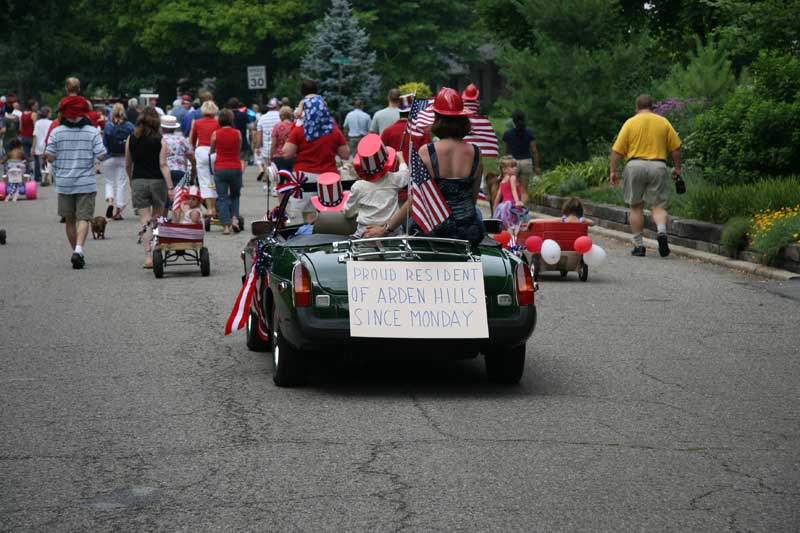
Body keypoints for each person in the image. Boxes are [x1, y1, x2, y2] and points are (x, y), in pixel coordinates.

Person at [364, 88, 484, 247]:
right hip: (468, 232)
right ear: (463, 121)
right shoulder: (476, 153)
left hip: (433, 231)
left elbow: (415, 200)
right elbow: (472, 199)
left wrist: (386, 229)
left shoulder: (427, 152)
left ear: (437, 120)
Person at [610, 94, 682, 257]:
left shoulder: (630, 122)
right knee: (658, 206)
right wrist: (677, 168)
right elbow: (676, 148)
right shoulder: (663, 122)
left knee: (636, 206)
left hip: (635, 165)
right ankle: (662, 232)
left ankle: (639, 245)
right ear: (652, 107)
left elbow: (616, 151)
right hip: (658, 165)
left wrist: (613, 171)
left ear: (637, 107)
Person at [44, 106, 108, 269]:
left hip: (64, 182)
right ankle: (79, 250)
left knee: (70, 220)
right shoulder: (92, 131)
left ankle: (77, 252)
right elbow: (101, 155)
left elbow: (49, 157)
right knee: (84, 218)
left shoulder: (56, 132)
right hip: (86, 182)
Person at [281, 94, 349, 223]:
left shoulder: (300, 130)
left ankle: (311, 239)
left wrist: (297, 123)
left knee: (309, 217)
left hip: (305, 176)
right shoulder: (333, 130)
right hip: (329, 177)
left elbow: (286, 153)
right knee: (330, 215)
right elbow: (345, 154)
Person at [126, 107, 175, 268]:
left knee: (145, 221)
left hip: (138, 180)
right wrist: (170, 187)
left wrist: (132, 180)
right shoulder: (160, 140)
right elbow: (163, 164)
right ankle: (156, 249)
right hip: (157, 182)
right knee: (157, 219)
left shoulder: (131, 139)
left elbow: (128, 163)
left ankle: (148, 257)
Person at [344, 134, 409, 237]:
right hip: (392, 234)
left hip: (365, 234)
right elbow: (405, 174)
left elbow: (348, 213)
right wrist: (401, 158)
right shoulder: (394, 179)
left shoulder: (358, 187)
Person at [209, 108, 243, 235]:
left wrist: (212, 151)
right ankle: (235, 219)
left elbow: (212, 150)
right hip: (235, 167)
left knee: (222, 197)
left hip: (221, 168)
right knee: (235, 195)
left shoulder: (216, 134)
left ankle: (226, 227)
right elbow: (238, 149)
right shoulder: (237, 133)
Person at [102, 103, 134, 220]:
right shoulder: (130, 126)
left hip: (109, 157)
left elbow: (104, 143)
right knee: (121, 184)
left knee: (109, 182)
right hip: (124, 158)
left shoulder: (108, 126)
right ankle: (118, 211)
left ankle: (110, 201)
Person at [188, 100, 219, 218]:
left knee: (204, 181)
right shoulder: (217, 122)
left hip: (201, 151)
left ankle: (210, 208)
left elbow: (192, 139)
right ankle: (215, 208)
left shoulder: (197, 122)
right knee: (214, 180)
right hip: (214, 151)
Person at [380, 93, 432, 163]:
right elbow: (429, 155)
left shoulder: (387, 132)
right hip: (417, 172)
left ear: (399, 112)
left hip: (394, 172)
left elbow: (382, 156)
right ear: (414, 111)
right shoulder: (422, 131)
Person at [502, 110, 541, 202]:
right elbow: (534, 151)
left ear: (513, 120)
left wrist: (504, 165)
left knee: (512, 188)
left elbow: (506, 151)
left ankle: (513, 211)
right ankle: (523, 213)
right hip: (526, 162)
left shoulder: (507, 134)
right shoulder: (529, 133)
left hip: (512, 163)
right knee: (524, 190)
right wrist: (537, 166)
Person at [161, 114, 195, 215]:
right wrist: (192, 172)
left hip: (163, 172)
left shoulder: (159, 139)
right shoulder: (181, 139)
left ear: (162, 128)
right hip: (180, 171)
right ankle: (177, 224)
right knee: (180, 200)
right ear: (174, 128)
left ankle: (162, 224)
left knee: (163, 202)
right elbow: (191, 157)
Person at [492, 156, 529, 232]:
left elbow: (498, 197)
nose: (515, 168)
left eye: (515, 166)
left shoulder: (502, 181)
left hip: (503, 207)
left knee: (507, 225)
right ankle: (514, 238)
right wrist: (517, 201)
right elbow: (513, 190)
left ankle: (508, 237)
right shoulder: (512, 177)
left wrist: (495, 209)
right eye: (512, 167)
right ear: (504, 170)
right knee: (517, 223)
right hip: (512, 205)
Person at [255, 97, 281, 178]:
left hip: (266, 149)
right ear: (277, 106)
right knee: (278, 170)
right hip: (279, 149)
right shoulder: (280, 117)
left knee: (268, 169)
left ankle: (268, 186)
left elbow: (259, 138)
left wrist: (257, 148)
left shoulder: (262, 118)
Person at [226, 97, 250, 173]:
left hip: (230, 139)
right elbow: (249, 124)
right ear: (238, 105)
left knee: (231, 159)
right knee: (242, 160)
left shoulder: (227, 116)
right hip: (242, 139)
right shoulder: (243, 115)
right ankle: (240, 175)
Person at [32, 106, 53, 185]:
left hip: (39, 145)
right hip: (48, 144)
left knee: (41, 162)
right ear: (47, 114)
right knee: (48, 162)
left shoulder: (37, 123)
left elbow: (35, 135)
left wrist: (33, 147)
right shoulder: (51, 123)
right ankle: (45, 177)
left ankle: (44, 177)